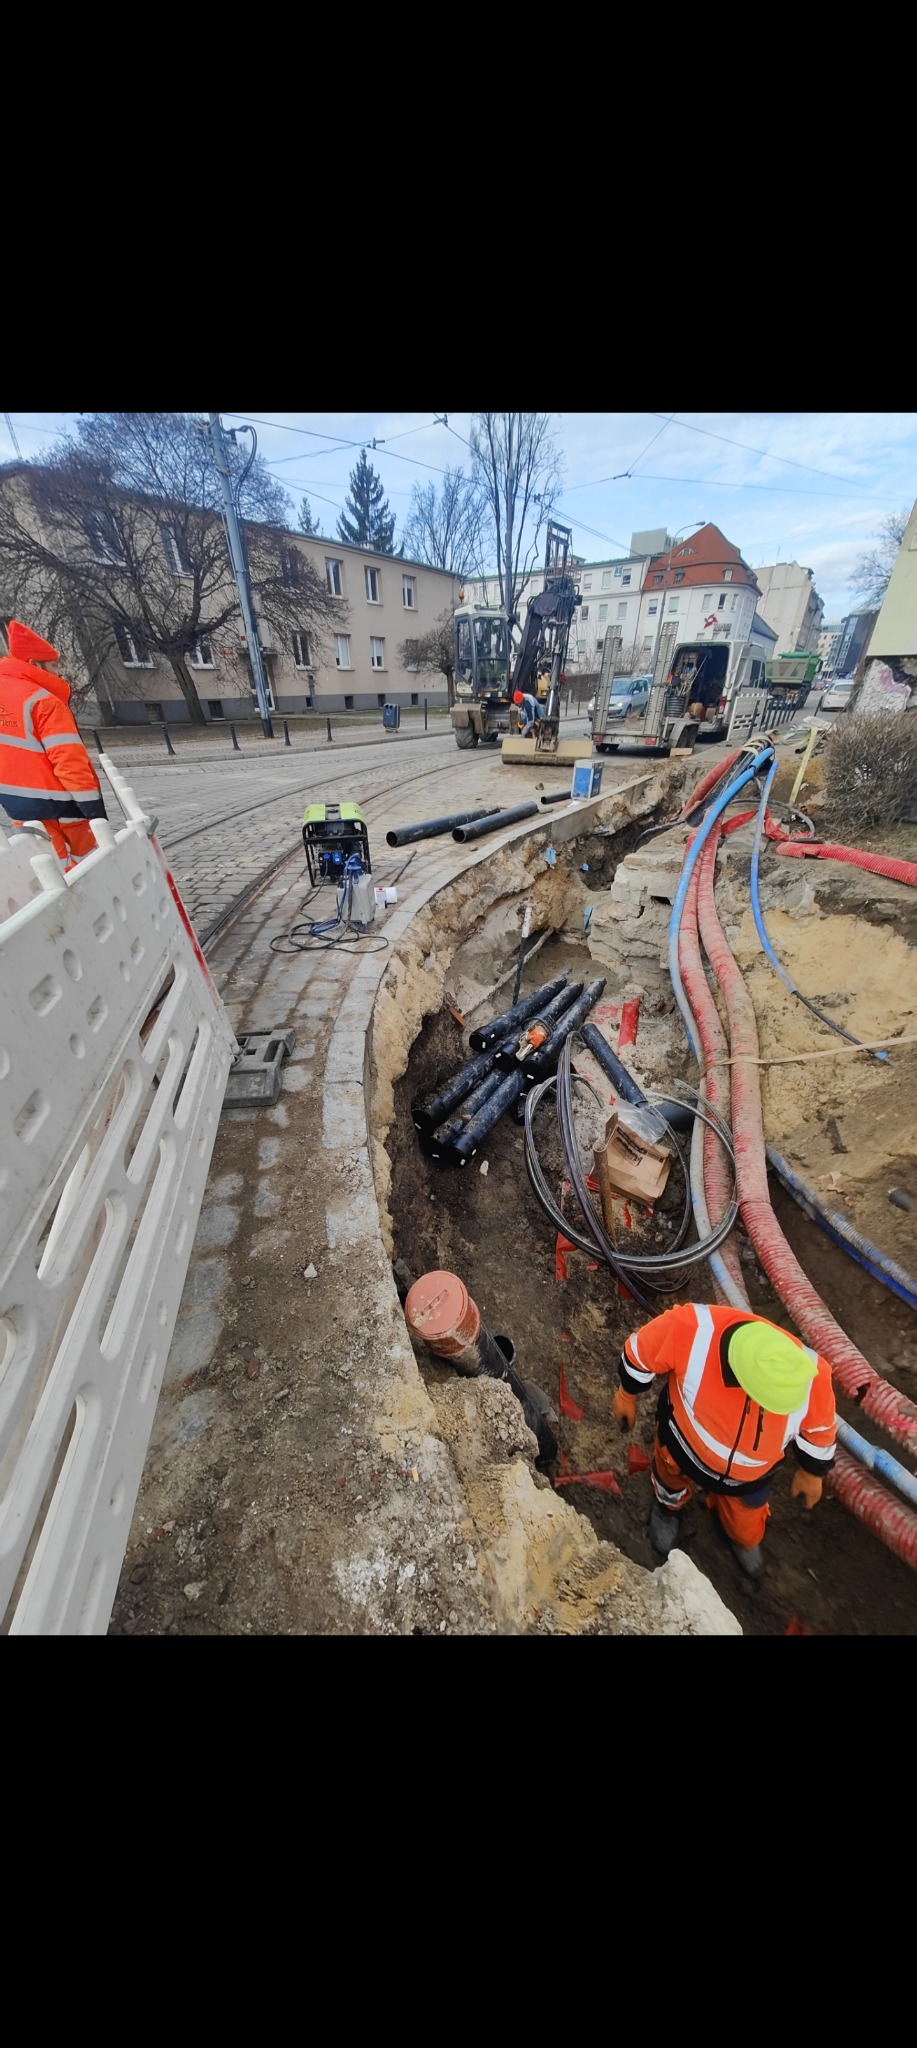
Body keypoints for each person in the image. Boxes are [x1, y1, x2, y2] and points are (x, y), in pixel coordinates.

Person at [613, 1303, 836, 1580]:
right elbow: (641, 1352)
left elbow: (820, 1430)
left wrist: (812, 1472)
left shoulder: (811, 1377)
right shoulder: (694, 1331)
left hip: (748, 1482)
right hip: (680, 1451)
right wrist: (626, 1395)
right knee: (670, 1480)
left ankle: (741, 1538)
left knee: (746, 1525)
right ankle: (668, 1508)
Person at [0, 620, 108, 867]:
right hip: (62, 807)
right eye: (54, 665)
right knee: (88, 867)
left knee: (49, 869)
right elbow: (69, 761)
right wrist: (94, 812)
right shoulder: (43, 701)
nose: (58, 672)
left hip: (18, 807)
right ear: (33, 664)